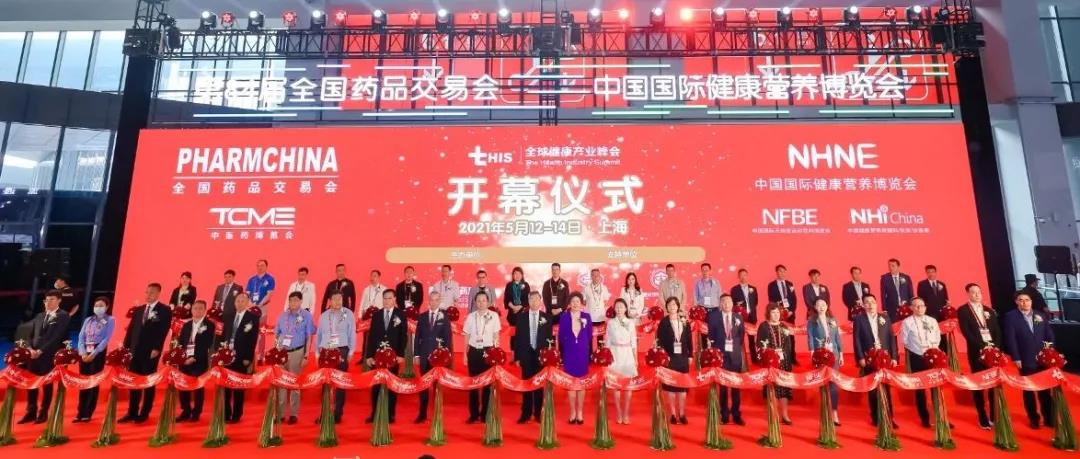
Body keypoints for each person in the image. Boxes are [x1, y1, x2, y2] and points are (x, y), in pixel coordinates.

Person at [119, 283, 172, 424]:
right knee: (134, 381)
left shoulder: (164, 310)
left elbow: (163, 330)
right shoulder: (139, 310)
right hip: (134, 350)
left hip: (150, 352)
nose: (148, 295)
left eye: (152, 293)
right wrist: (125, 348)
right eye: (147, 292)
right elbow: (131, 330)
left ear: (158, 293)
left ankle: (144, 412)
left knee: (148, 382)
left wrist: (157, 348)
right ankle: (132, 412)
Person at [1002, 291, 1056, 429]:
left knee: (1045, 390)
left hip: (1043, 359)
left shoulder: (1040, 315)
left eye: (1027, 300)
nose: (1024, 302)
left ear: (1031, 301)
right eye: (1021, 300)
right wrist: (1016, 357)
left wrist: (1049, 351)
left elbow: (1049, 335)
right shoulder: (1010, 317)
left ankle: (1049, 418)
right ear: (1016, 302)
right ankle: (1033, 418)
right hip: (1025, 358)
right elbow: (1010, 339)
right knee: (1029, 391)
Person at [19, 290, 70, 424]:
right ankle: (31, 411)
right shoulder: (39, 316)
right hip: (33, 356)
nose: (48, 302)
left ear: (59, 300)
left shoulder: (63, 316)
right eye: (46, 300)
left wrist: (40, 350)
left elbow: (55, 337)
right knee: (32, 383)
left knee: (47, 384)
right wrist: (30, 349)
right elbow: (29, 335)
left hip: (48, 355)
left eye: (52, 299)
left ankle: (43, 412)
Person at [957, 283, 1001, 429]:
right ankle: (982, 415)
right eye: (973, 292)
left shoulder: (989, 311)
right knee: (978, 384)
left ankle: (994, 415)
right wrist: (982, 347)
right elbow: (966, 332)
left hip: (992, 352)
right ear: (968, 294)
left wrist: (994, 347)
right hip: (976, 351)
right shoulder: (963, 310)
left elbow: (997, 331)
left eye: (979, 292)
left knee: (993, 383)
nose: (977, 295)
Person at [852, 294, 898, 429]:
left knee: (886, 388)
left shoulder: (885, 318)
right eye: (867, 302)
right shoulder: (859, 319)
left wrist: (894, 357)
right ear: (863, 305)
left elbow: (891, 338)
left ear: (876, 303)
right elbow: (857, 340)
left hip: (885, 357)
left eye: (872, 302)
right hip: (869, 358)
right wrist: (860, 357)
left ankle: (889, 418)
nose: (870, 304)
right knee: (872, 389)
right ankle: (876, 417)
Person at [364, 288, 407, 424]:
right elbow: (371, 337)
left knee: (392, 385)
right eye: (385, 298)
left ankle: (390, 414)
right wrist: (369, 356)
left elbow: (403, 337)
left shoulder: (401, 315)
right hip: (377, 357)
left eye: (390, 298)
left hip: (393, 357)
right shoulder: (377, 315)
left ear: (394, 299)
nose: (387, 301)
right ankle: (374, 413)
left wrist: (401, 355)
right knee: (376, 385)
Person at [275, 292, 316, 424]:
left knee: (294, 383)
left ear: (301, 301)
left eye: (296, 300)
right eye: (291, 300)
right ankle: (280, 414)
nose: (293, 303)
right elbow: (277, 335)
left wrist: (306, 355)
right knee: (281, 383)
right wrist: (276, 351)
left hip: (297, 352)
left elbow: (309, 336)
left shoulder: (306, 316)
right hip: (282, 353)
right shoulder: (283, 316)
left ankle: (293, 414)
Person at [512, 291, 553, 424]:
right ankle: (526, 413)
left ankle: (538, 413)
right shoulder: (521, 318)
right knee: (527, 384)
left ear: (540, 301)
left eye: (536, 299)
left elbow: (550, 339)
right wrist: (517, 357)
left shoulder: (546, 318)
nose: (534, 302)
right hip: (526, 355)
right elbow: (517, 339)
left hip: (541, 356)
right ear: (528, 302)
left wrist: (549, 356)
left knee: (539, 385)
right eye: (531, 299)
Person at [900, 297, 940, 428]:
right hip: (917, 357)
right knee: (920, 388)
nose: (919, 308)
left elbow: (937, 336)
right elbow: (905, 341)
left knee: (936, 387)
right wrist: (919, 350)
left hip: (933, 356)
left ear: (925, 307)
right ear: (911, 308)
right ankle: (924, 417)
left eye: (921, 305)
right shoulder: (907, 322)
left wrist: (932, 349)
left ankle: (940, 417)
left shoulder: (932, 320)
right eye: (916, 306)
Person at [317, 291, 356, 424]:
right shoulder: (324, 315)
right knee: (325, 383)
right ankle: (324, 413)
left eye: (340, 299)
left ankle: (337, 413)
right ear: (330, 300)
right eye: (335, 299)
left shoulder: (348, 314)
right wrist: (317, 353)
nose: (338, 301)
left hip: (342, 350)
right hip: (326, 351)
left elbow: (352, 334)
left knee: (340, 383)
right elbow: (319, 335)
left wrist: (351, 352)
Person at [415, 290, 454, 424]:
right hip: (424, 354)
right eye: (432, 300)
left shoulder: (445, 317)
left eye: (437, 300)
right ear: (429, 301)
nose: (434, 302)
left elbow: (448, 338)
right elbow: (417, 337)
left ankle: (437, 413)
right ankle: (422, 414)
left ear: (439, 301)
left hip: (438, 357)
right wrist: (416, 354)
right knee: (423, 386)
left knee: (437, 386)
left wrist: (446, 355)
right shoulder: (422, 317)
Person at [464, 291, 502, 423]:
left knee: (487, 385)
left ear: (488, 302)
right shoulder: (470, 317)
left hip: (488, 352)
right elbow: (467, 336)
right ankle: (473, 414)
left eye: (483, 300)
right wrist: (465, 354)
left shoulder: (494, 316)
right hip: (474, 351)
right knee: (473, 384)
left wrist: (496, 353)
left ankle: (485, 414)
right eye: (478, 301)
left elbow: (496, 336)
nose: (481, 303)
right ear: (475, 302)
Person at [74, 297, 113, 423]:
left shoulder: (110, 320)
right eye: (96, 305)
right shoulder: (88, 320)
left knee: (93, 382)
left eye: (101, 305)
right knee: (83, 382)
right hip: (85, 350)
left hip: (98, 352)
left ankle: (88, 412)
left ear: (107, 307)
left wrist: (94, 353)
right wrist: (82, 352)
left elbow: (106, 339)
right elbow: (81, 337)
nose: (98, 308)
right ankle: (80, 412)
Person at [708, 294, 746, 425]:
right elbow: (711, 336)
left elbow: (741, 336)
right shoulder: (714, 318)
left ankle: (736, 414)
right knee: (723, 387)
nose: (726, 304)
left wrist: (734, 348)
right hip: (721, 356)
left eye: (729, 302)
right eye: (723, 302)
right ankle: (724, 414)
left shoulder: (738, 317)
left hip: (735, 356)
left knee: (736, 386)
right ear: (720, 304)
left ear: (732, 303)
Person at [222, 292, 259, 423]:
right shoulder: (228, 316)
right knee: (226, 387)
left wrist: (248, 357)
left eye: (242, 301)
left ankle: (237, 414)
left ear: (247, 303)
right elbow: (223, 335)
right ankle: (226, 413)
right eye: (237, 301)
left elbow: (253, 340)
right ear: (234, 303)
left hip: (242, 356)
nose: (240, 303)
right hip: (227, 356)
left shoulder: (252, 318)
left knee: (238, 386)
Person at [176, 300, 214, 423]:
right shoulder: (186, 325)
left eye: (200, 308)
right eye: (195, 308)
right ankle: (186, 410)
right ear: (191, 310)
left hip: (199, 361)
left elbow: (207, 345)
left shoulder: (209, 325)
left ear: (204, 310)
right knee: (183, 386)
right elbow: (181, 342)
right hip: (185, 361)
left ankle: (197, 412)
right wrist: (182, 358)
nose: (197, 311)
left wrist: (194, 357)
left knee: (198, 387)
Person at [807, 298, 843, 426]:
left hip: (834, 355)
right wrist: (812, 354)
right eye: (818, 305)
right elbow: (810, 338)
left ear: (827, 306)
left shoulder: (833, 320)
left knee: (833, 384)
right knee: (823, 384)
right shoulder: (812, 322)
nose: (821, 307)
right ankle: (825, 411)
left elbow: (837, 338)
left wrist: (841, 354)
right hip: (821, 355)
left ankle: (834, 412)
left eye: (823, 304)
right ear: (815, 307)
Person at [558, 292, 593, 425]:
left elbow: (589, 335)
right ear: (569, 303)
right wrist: (569, 344)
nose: (575, 304)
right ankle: (572, 411)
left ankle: (580, 412)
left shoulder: (586, 317)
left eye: (577, 301)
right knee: (571, 383)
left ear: (581, 303)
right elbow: (561, 336)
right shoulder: (564, 317)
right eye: (573, 301)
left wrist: (581, 343)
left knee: (581, 383)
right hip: (569, 352)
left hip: (582, 352)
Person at [658, 296, 692, 424]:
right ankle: (672, 413)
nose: (672, 307)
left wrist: (690, 355)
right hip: (669, 357)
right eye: (670, 305)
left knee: (682, 387)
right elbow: (660, 341)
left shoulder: (684, 320)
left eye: (674, 304)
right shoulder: (664, 322)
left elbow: (689, 339)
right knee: (671, 386)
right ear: (666, 307)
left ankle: (682, 413)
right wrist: (663, 355)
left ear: (678, 306)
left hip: (683, 357)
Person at [757, 303, 793, 424]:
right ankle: (773, 414)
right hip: (770, 361)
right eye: (773, 312)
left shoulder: (784, 326)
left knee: (784, 389)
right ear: (768, 313)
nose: (776, 315)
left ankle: (785, 414)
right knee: (772, 388)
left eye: (778, 312)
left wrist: (784, 355)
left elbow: (788, 345)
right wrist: (770, 354)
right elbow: (760, 344)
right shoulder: (764, 326)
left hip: (784, 361)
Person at [606, 298, 638, 425]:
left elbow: (633, 342)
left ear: (625, 309)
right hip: (614, 354)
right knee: (616, 386)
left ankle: (626, 413)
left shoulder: (630, 322)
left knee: (628, 386)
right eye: (617, 307)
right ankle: (619, 412)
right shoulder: (611, 322)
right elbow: (608, 341)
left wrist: (635, 358)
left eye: (621, 307)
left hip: (627, 354)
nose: (619, 309)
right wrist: (607, 357)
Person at [246, 259, 275, 365]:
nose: (260, 267)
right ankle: (250, 354)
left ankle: (260, 356)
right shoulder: (252, 280)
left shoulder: (270, 279)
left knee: (261, 332)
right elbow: (247, 293)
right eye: (258, 265)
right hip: (251, 308)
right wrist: (251, 304)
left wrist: (259, 305)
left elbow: (269, 294)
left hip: (262, 308)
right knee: (250, 330)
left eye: (262, 265)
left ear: (266, 267)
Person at [767, 265, 798, 363]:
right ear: (776, 272)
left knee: (791, 336)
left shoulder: (790, 284)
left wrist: (791, 311)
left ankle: (792, 358)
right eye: (780, 271)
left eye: (784, 271)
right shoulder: (771, 285)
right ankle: (781, 358)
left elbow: (794, 299)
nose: (782, 273)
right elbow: (771, 301)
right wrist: (779, 312)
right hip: (778, 316)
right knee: (779, 337)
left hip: (790, 315)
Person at [212, 270, 244, 338]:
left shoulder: (238, 288)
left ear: (233, 277)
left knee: (228, 333)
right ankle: (218, 344)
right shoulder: (219, 287)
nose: (227, 278)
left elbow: (240, 302)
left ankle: (227, 344)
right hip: (219, 314)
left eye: (229, 277)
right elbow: (215, 300)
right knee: (218, 333)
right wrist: (213, 311)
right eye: (225, 277)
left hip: (231, 314)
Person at [502, 267, 531, 338]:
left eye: (519, 274)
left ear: (522, 275)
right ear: (512, 275)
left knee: (522, 335)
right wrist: (513, 307)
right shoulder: (509, 285)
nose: (517, 275)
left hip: (523, 313)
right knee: (513, 335)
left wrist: (519, 307)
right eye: (515, 274)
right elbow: (506, 299)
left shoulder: (526, 285)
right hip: (512, 314)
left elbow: (527, 299)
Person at [584, 269, 610, 343]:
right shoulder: (586, 288)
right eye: (593, 275)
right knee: (589, 337)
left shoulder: (604, 288)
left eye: (597, 275)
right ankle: (589, 350)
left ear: (599, 276)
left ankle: (600, 350)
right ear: (591, 276)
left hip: (600, 316)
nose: (595, 277)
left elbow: (606, 301)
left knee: (600, 338)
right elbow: (584, 301)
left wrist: (598, 305)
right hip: (590, 317)